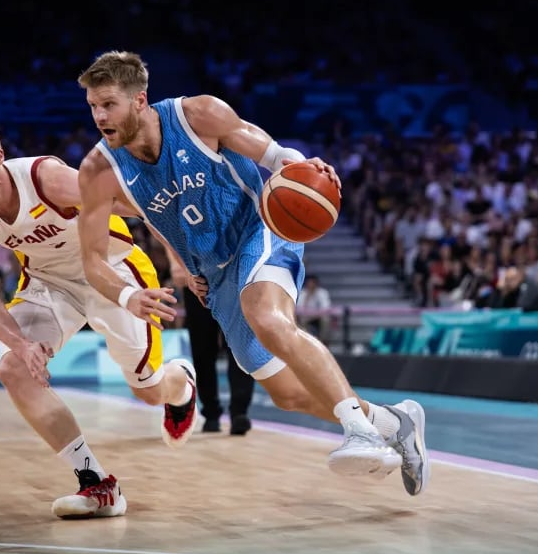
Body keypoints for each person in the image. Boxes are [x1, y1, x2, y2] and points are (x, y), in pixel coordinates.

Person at [75, 50, 429, 496]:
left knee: (264, 314)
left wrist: (304, 166)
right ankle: (394, 421)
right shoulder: (99, 170)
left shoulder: (198, 114)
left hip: (261, 229)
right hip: (215, 274)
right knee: (288, 394)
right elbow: (93, 259)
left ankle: (360, 431)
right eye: (92, 106)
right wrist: (132, 295)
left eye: (108, 103)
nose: (99, 115)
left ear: (140, 99)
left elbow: (275, 154)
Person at [0, 118, 199, 520]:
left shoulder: (47, 179)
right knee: (12, 368)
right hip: (48, 284)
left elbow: (138, 203)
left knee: (148, 391)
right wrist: (23, 345)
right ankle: (96, 483)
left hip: (112, 269)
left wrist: (177, 257)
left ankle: (180, 384)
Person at [171, 253, 256, 435]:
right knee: (202, 349)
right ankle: (210, 412)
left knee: (240, 345)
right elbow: (164, 229)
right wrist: (175, 263)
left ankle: (239, 412)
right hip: (197, 275)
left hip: (235, 274)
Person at [296, 274, 333, 344]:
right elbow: (299, 308)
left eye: (313, 283)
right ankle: (303, 341)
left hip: (318, 317)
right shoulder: (302, 293)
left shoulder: (322, 293)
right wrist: (307, 297)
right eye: (309, 283)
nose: (311, 285)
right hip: (305, 317)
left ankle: (323, 341)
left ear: (316, 284)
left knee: (326, 319)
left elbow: (325, 307)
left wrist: (315, 314)